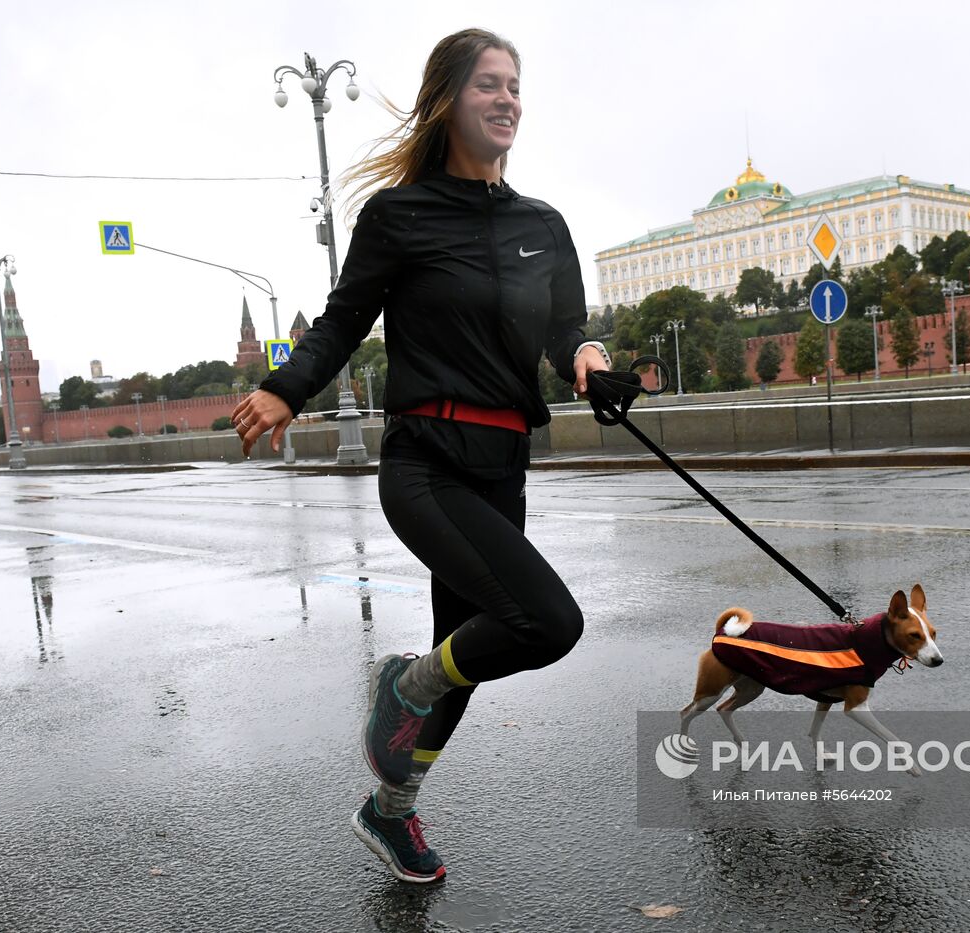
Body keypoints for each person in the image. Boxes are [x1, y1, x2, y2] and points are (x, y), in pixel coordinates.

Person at [230, 28, 608, 884]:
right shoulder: (399, 216)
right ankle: (401, 683)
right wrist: (289, 387)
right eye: (489, 84)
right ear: (448, 98)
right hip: (425, 461)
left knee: (463, 656)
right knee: (546, 622)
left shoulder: (542, 225)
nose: (508, 98)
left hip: (502, 462)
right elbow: (341, 320)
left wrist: (590, 363)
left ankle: (387, 812)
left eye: (515, 85)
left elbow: (565, 332)